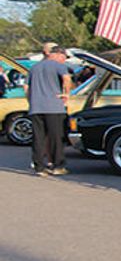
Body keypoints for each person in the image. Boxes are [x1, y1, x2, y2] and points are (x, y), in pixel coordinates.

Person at [28, 44, 73, 175]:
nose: (64, 60)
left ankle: (39, 167)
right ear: (59, 54)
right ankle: (58, 166)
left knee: (38, 138)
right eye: (64, 57)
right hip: (54, 107)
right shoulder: (59, 66)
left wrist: (31, 102)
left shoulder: (34, 68)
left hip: (36, 107)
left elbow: (27, 88)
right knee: (55, 137)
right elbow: (67, 78)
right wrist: (66, 93)